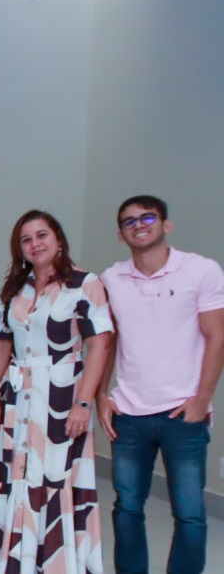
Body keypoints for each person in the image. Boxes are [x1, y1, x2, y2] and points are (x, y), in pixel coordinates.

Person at [0, 210, 111, 574]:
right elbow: (2, 343)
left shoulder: (84, 283)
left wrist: (84, 402)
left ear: (58, 239)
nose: (35, 244)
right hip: (18, 399)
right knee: (14, 474)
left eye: (42, 235)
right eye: (26, 239)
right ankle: (12, 563)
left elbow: (99, 344)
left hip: (62, 398)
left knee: (55, 478)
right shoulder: (17, 288)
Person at [98, 195, 224, 574]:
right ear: (121, 235)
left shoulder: (201, 271)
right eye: (129, 221)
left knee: (190, 512)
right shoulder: (111, 279)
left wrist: (202, 399)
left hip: (182, 414)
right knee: (127, 507)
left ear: (166, 224)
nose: (139, 225)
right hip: (129, 414)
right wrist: (102, 395)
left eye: (148, 218)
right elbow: (108, 340)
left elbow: (216, 337)